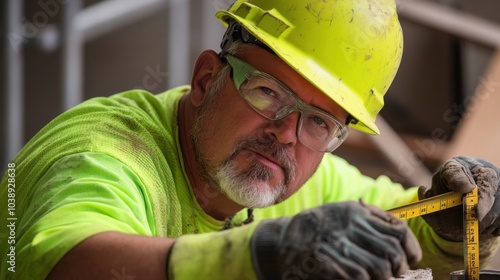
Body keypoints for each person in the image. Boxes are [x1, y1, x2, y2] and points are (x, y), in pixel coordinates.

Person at [2, 0, 500, 279]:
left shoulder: (294, 173)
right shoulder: (105, 155)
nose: (285, 133)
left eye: (319, 123)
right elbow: (72, 265)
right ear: (204, 80)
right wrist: (253, 256)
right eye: (267, 93)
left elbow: (390, 225)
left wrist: (450, 224)